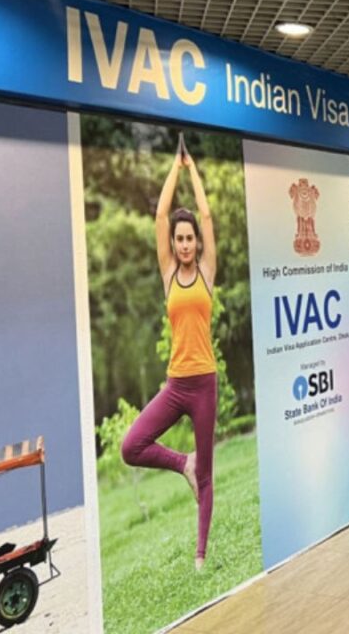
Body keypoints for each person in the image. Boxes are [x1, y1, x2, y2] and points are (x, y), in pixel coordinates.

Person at [121, 140, 218, 571]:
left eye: (189, 238)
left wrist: (193, 169)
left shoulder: (207, 273)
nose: (184, 245)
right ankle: (183, 464)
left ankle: (200, 555)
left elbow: (207, 216)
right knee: (131, 445)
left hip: (205, 384)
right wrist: (174, 169)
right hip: (177, 385)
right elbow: (160, 216)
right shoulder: (168, 276)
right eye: (179, 239)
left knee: (207, 475)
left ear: (197, 242)